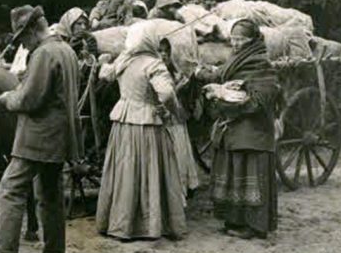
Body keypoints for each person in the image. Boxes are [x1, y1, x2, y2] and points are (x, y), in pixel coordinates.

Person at [0, 5, 81, 253]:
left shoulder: (43, 53)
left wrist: (9, 98)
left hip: (38, 135)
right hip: (60, 134)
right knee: (51, 191)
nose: (21, 43)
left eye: (21, 37)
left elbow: (31, 99)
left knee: (9, 189)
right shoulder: (66, 50)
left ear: (32, 30)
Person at [95, 22, 187, 241]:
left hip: (124, 121)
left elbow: (105, 75)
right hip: (147, 122)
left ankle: (121, 224)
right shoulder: (154, 64)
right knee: (149, 168)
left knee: (125, 168)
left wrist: (103, 62)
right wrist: (174, 111)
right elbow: (165, 93)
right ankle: (150, 224)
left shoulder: (124, 61)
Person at [196, 18, 280, 239]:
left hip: (253, 128)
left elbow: (261, 99)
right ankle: (234, 220)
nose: (236, 43)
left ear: (253, 40)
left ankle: (254, 226)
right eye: (233, 38)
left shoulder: (261, 64)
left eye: (241, 39)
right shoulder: (236, 59)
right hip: (233, 126)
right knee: (233, 174)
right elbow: (222, 75)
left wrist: (222, 95)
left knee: (248, 174)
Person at [158, 38, 200, 198]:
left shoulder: (176, 73)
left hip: (175, 120)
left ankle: (181, 188)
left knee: (179, 154)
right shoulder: (153, 72)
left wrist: (182, 86)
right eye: (160, 51)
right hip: (162, 121)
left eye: (166, 52)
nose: (163, 55)